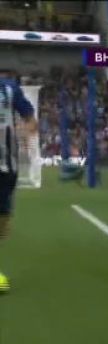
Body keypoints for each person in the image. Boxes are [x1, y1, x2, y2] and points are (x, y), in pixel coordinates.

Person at [0, 69, 37, 293]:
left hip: (6, 164)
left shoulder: (9, 88)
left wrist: (25, 133)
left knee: (3, 217)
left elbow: (30, 119)